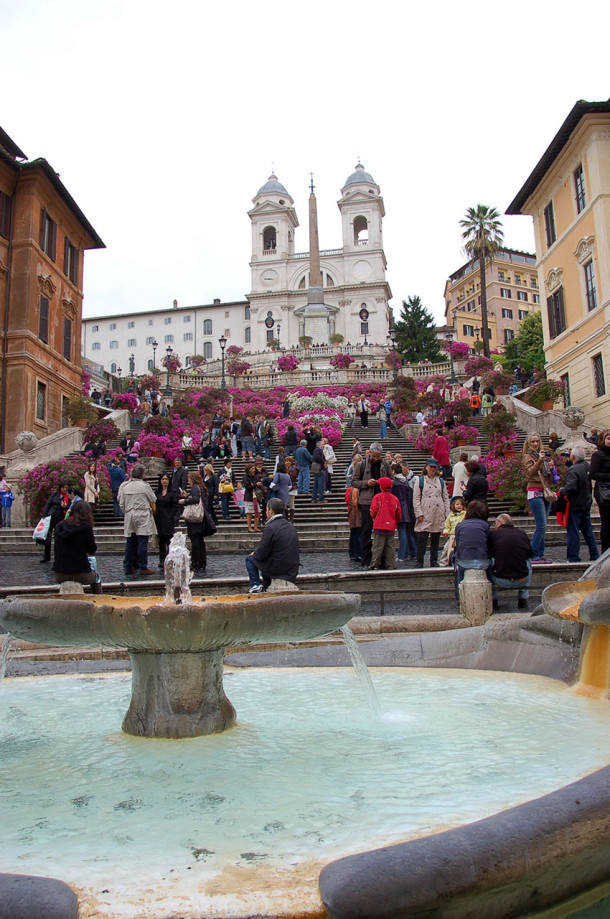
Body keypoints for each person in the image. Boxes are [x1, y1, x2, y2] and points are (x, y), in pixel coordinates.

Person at [350, 443, 393, 569]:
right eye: (373, 456)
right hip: (366, 502)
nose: (375, 458)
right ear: (369, 453)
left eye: (378, 456)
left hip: (383, 501)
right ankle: (366, 559)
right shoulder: (361, 465)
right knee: (366, 531)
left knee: (384, 532)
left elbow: (392, 479)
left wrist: (385, 484)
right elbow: (354, 482)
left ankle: (382, 559)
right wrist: (366, 483)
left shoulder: (385, 464)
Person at [245, 498, 300, 593]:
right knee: (267, 559)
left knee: (249, 559)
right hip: (292, 568)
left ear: (271, 510)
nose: (266, 512)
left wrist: (254, 554)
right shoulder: (291, 526)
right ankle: (266, 585)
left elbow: (262, 552)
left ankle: (255, 585)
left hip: (278, 567)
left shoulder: (270, 528)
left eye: (266, 510)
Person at [559, 446, 600, 564]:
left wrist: (561, 491)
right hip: (586, 504)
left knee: (573, 532)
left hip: (575, 505)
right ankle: (594, 555)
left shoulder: (572, 470)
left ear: (572, 457)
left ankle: (573, 557)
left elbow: (571, 487)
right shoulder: (586, 466)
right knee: (588, 532)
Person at [52, 500, 102, 593]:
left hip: (59, 573)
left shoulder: (59, 526)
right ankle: (99, 601)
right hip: (81, 572)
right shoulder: (86, 527)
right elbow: (92, 549)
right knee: (97, 578)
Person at [118, 464, 157, 576]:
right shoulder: (144, 486)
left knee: (130, 541)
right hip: (142, 514)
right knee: (142, 541)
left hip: (129, 514)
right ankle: (143, 566)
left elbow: (121, 503)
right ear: (142, 475)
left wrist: (128, 510)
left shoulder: (126, 486)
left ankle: (128, 566)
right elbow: (153, 498)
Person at [489, 514, 533, 610]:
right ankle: (523, 597)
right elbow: (530, 553)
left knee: (489, 561)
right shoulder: (522, 534)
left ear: (500, 523)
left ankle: (493, 599)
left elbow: (489, 553)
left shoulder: (493, 535)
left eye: (495, 523)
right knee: (528, 561)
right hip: (521, 579)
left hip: (500, 579)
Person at [412, 458, 450, 569]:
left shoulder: (441, 481)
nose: (432, 469)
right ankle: (419, 561)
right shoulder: (420, 480)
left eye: (434, 467)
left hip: (438, 512)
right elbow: (416, 498)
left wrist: (447, 513)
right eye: (430, 467)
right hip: (425, 511)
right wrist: (418, 512)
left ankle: (434, 560)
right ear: (426, 467)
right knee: (422, 539)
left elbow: (446, 498)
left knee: (435, 539)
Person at [522, 433, 553, 564]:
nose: (535, 444)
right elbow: (529, 473)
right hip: (534, 492)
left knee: (544, 526)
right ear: (529, 443)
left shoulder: (542, 456)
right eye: (533, 441)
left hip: (545, 490)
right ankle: (533, 554)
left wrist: (550, 466)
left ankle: (540, 554)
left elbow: (546, 475)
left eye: (537, 441)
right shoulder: (527, 457)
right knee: (541, 525)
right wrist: (540, 461)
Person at [454, 501, 492, 597]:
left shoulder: (460, 526)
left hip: (464, 560)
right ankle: (492, 595)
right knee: (490, 570)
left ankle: (459, 595)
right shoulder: (485, 525)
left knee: (459, 571)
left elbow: (458, 545)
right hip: (482, 560)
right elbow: (488, 543)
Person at [369, 476, 401, 570]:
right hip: (390, 525)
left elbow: (373, 510)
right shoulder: (395, 498)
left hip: (379, 525)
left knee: (377, 546)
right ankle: (390, 564)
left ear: (381, 487)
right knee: (390, 547)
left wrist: (374, 518)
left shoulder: (377, 497)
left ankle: (375, 564)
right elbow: (398, 513)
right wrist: (395, 523)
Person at [178, 471, 208, 572]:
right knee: (200, 541)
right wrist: (187, 496)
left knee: (195, 541)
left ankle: (196, 562)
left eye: (189, 480)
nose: (188, 481)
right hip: (201, 518)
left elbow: (195, 499)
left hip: (195, 519)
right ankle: (201, 561)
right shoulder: (201, 488)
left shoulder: (195, 487)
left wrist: (184, 500)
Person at [590, 428, 610, 554]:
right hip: (604, 492)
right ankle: (606, 551)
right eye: (608, 438)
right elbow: (593, 473)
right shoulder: (598, 455)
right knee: (607, 523)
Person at [391, 463, 416, 562]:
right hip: (407, 508)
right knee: (408, 532)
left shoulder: (395, 483)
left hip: (399, 508)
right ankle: (413, 552)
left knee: (402, 532)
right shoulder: (405, 481)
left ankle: (402, 555)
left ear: (393, 472)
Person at [40, 483, 70, 563]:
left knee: (58, 538)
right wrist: (44, 514)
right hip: (51, 516)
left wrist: (65, 507)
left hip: (60, 518)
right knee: (47, 537)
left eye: (66, 488)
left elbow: (69, 508)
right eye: (63, 487)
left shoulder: (67, 496)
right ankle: (46, 556)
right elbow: (48, 504)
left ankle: (58, 556)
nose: (65, 489)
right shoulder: (55, 494)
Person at [154, 473, 179, 568]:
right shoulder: (157, 492)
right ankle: (162, 558)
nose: (164, 481)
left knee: (169, 540)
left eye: (166, 479)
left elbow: (175, 505)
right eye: (163, 479)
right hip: (159, 518)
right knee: (161, 540)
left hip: (168, 518)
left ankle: (170, 558)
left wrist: (172, 515)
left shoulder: (173, 491)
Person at [440, 495, 466, 567]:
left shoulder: (464, 514)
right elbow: (447, 526)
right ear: (453, 505)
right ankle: (443, 563)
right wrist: (446, 531)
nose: (459, 506)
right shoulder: (450, 515)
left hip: (461, 536)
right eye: (457, 504)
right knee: (446, 548)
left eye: (461, 505)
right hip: (452, 535)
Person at [345, 483, 362, 562]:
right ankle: (359, 553)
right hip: (359, 515)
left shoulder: (349, 490)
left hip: (352, 515)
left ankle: (353, 553)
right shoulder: (361, 490)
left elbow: (347, 500)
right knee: (359, 534)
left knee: (353, 534)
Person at [243, 462, 260, 532]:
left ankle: (256, 526)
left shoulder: (254, 476)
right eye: (252, 468)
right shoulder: (246, 477)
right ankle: (249, 527)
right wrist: (255, 485)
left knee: (258, 512)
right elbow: (247, 486)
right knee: (249, 513)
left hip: (255, 496)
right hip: (249, 496)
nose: (254, 469)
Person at [284, 456, 298, 523]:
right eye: (286, 461)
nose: (287, 462)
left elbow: (292, 476)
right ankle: (286, 518)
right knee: (284, 503)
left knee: (291, 503)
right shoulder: (283, 468)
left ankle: (291, 519)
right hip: (284, 487)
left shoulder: (293, 468)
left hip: (292, 487)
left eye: (289, 461)